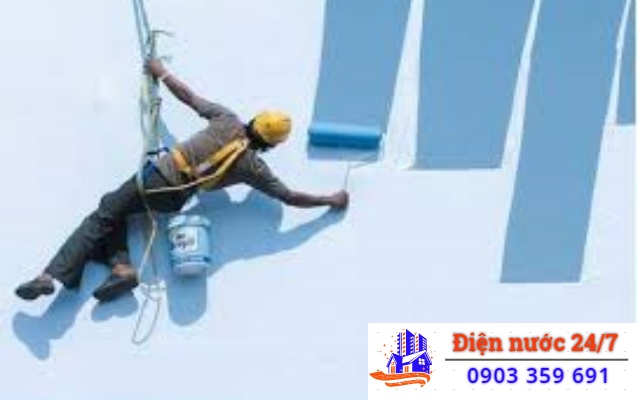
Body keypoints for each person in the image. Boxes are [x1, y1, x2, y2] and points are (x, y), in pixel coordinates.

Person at [15, 59, 349, 303]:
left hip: (156, 177)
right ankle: (122, 268)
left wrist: (160, 71)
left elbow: (188, 96)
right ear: (272, 144)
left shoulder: (226, 119)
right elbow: (290, 197)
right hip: (174, 199)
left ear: (255, 120)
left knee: (102, 216)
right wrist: (331, 200)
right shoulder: (253, 167)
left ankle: (50, 275)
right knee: (112, 209)